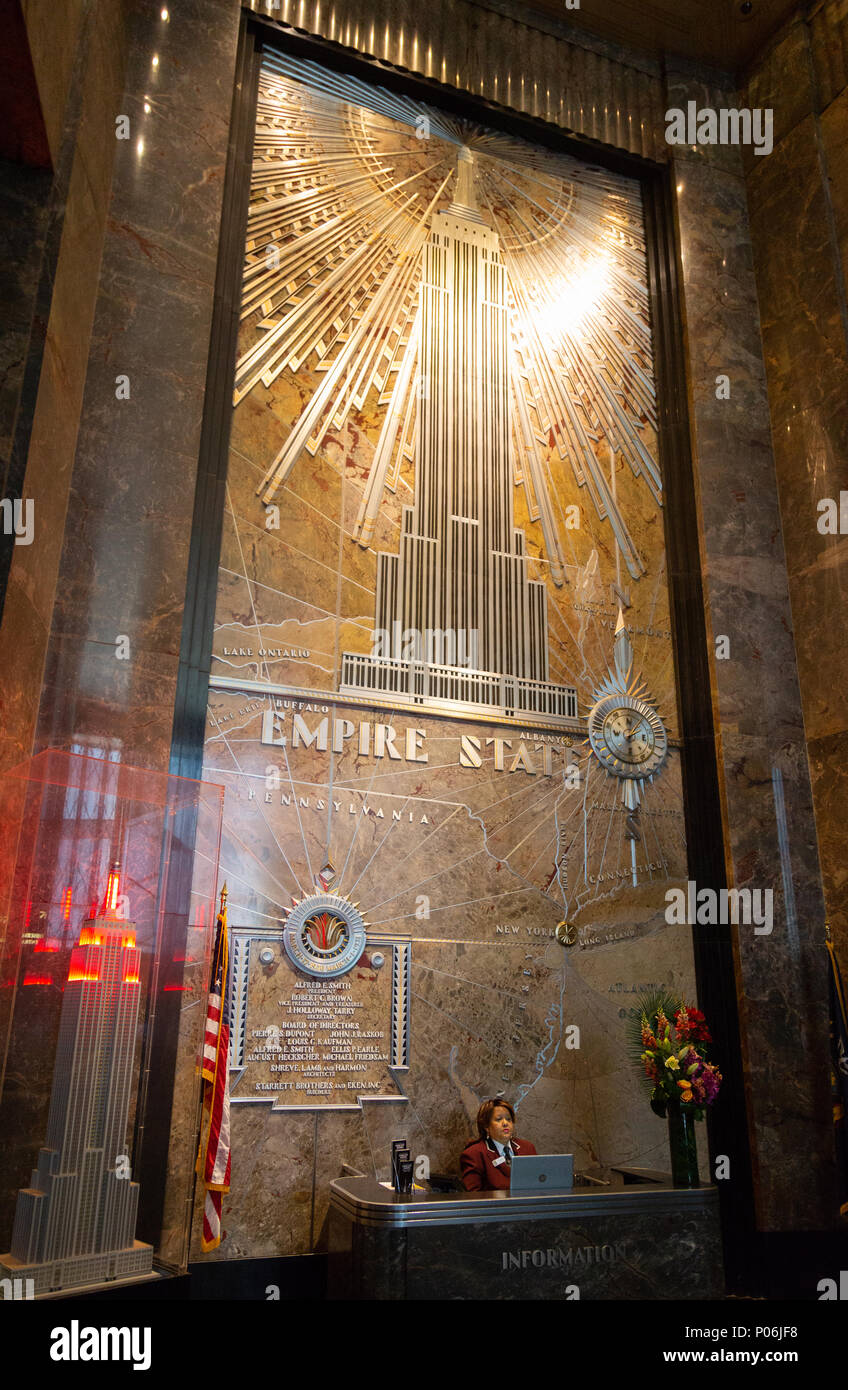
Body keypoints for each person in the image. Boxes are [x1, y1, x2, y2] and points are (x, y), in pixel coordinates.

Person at [460, 1098, 537, 1191]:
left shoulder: (527, 1148)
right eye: (498, 1119)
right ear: (486, 1126)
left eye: (509, 1119)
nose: (505, 1123)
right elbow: (473, 1197)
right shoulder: (474, 1154)